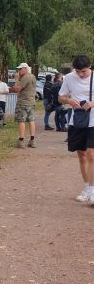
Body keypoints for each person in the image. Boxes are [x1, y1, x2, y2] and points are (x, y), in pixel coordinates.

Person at [58, 55, 94, 204]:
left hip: (93, 121)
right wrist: (69, 101)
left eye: (83, 71)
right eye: (78, 71)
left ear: (90, 67)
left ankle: (92, 190)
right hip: (78, 122)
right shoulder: (69, 78)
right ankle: (86, 188)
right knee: (82, 156)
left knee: (92, 155)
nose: (80, 74)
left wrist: (92, 103)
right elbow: (60, 97)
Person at [10, 62, 37, 148]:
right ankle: (32, 140)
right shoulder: (32, 76)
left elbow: (17, 89)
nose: (18, 71)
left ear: (25, 69)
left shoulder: (25, 77)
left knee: (22, 121)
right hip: (32, 102)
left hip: (23, 103)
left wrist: (16, 79)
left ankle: (21, 141)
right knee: (31, 120)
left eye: (20, 69)